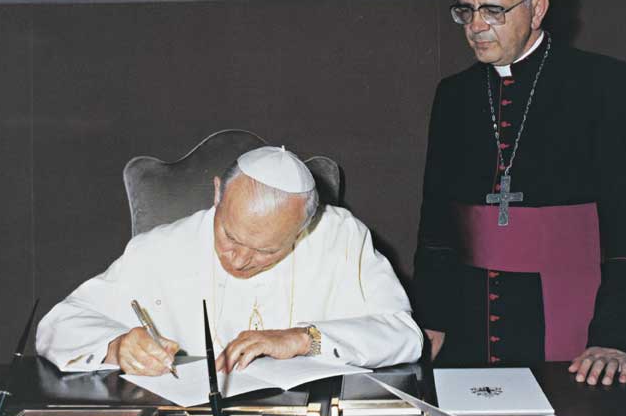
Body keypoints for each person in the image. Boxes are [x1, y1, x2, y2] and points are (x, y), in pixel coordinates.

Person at [413, 0, 626, 386]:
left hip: (577, 323)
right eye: (466, 10)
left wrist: (618, 334)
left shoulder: (604, 85)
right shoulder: (454, 95)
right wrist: (432, 316)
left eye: (493, 10)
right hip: (471, 322)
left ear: (537, 11)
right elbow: (438, 220)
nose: (476, 26)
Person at [37, 146, 423, 375]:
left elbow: (404, 335)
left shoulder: (341, 237)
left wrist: (307, 339)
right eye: (230, 237)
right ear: (218, 193)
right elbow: (57, 325)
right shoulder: (161, 248)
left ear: (305, 226)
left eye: (267, 251)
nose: (238, 260)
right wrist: (117, 345)